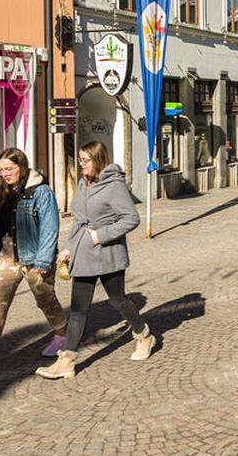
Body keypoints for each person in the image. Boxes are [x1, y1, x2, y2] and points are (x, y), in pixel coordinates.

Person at [36, 142, 153, 380]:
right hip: (85, 254)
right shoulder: (83, 183)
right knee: (78, 309)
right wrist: (68, 247)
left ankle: (143, 335)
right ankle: (66, 361)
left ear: (98, 160)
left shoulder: (114, 186)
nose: (81, 165)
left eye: (85, 161)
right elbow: (79, 220)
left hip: (108, 253)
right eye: (79, 160)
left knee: (118, 300)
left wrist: (102, 235)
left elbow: (131, 218)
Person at [0, 148, 66, 373]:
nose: (4, 174)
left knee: (45, 299)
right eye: (1, 170)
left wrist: (43, 262)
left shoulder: (40, 191)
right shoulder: (4, 190)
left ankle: (62, 336)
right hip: (8, 256)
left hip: (34, 255)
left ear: (21, 167)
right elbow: (0, 225)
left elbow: (50, 227)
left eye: (9, 169)